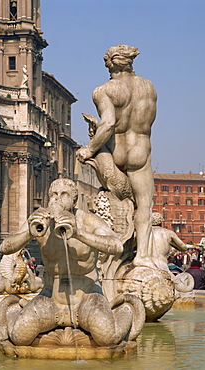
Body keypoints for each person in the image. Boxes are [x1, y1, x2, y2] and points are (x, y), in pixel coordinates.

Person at [0, 179, 139, 347]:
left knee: (107, 337)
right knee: (20, 337)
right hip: (51, 297)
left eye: (64, 195)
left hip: (87, 296)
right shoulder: (41, 221)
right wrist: (29, 233)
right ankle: (14, 311)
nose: (57, 199)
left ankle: (124, 311)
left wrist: (79, 233)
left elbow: (116, 246)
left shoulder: (88, 221)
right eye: (53, 195)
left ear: (74, 199)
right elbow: (5, 247)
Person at [76, 44, 157, 269]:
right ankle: (142, 256)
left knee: (111, 198)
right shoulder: (149, 88)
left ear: (108, 64)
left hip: (116, 151)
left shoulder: (103, 90)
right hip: (141, 151)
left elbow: (109, 123)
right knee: (144, 205)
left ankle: (110, 253)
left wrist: (89, 149)